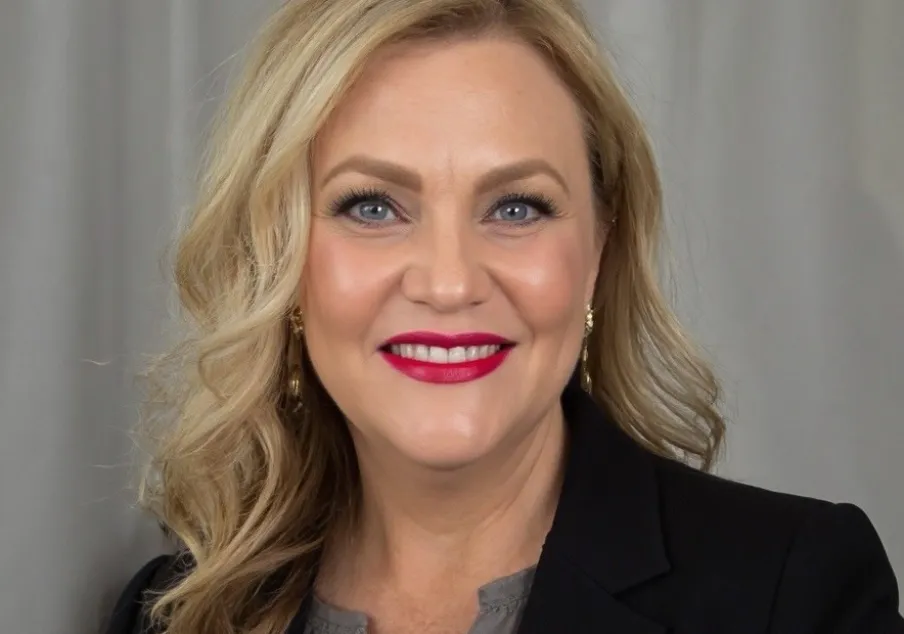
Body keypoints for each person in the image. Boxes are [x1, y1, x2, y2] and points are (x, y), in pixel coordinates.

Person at [105, 0, 904, 633]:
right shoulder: (171, 613)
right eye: (373, 206)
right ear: (277, 257)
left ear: (598, 249)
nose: (449, 283)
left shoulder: (793, 593)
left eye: (517, 206)